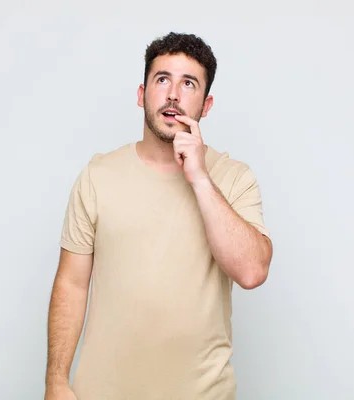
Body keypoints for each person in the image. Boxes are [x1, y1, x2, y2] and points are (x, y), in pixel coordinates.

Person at [44, 32, 273, 400]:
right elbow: (71, 284)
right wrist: (56, 380)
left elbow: (252, 271)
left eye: (188, 84)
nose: (173, 94)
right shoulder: (98, 176)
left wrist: (199, 177)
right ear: (142, 93)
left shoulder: (233, 178)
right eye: (162, 79)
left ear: (207, 104)